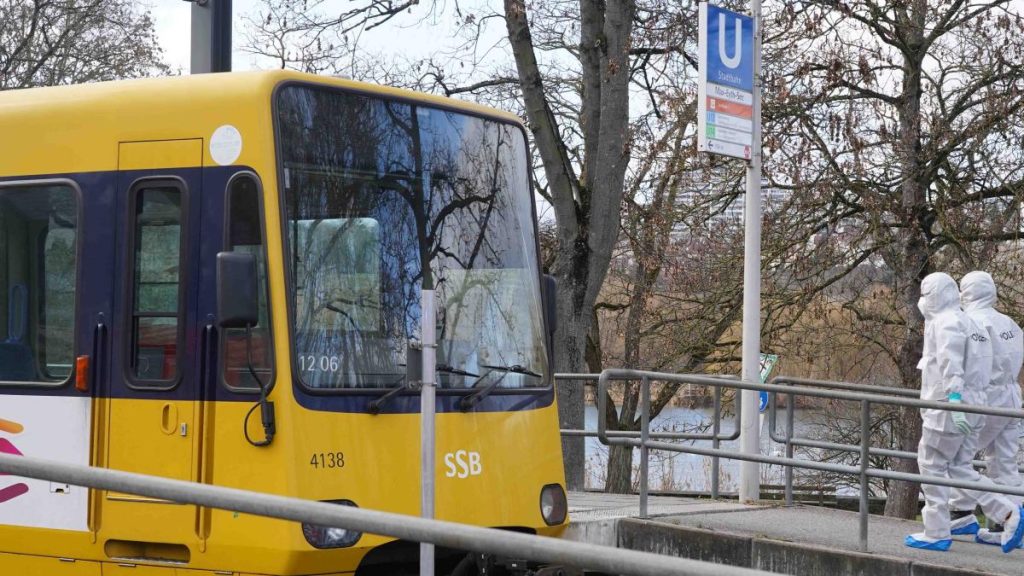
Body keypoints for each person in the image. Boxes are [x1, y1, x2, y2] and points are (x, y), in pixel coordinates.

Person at [905, 272, 1024, 553]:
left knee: (935, 464)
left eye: (926, 294)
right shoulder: (1004, 324)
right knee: (984, 464)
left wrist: (956, 400)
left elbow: (951, 366)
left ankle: (941, 528)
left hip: (958, 404)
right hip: (1000, 399)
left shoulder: (954, 322)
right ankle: (1007, 513)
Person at [946, 271, 1024, 546]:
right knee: (1004, 463)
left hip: (985, 397)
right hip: (1012, 397)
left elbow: (966, 365)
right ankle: (1014, 522)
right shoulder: (1010, 323)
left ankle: (963, 513)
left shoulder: (968, 322)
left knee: (957, 457)